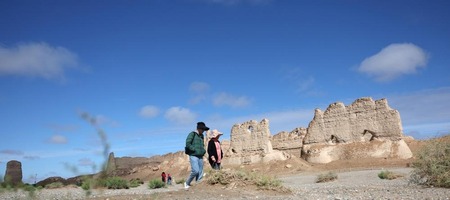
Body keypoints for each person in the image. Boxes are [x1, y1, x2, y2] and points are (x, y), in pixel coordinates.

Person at [184, 121, 209, 190]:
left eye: (204, 129)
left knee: (200, 171)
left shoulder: (202, 136)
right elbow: (188, 143)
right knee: (195, 171)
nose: (203, 131)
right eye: (203, 129)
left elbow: (202, 145)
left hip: (200, 156)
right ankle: (187, 183)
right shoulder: (192, 134)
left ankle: (198, 185)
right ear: (199, 128)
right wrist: (194, 150)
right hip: (193, 155)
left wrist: (203, 151)